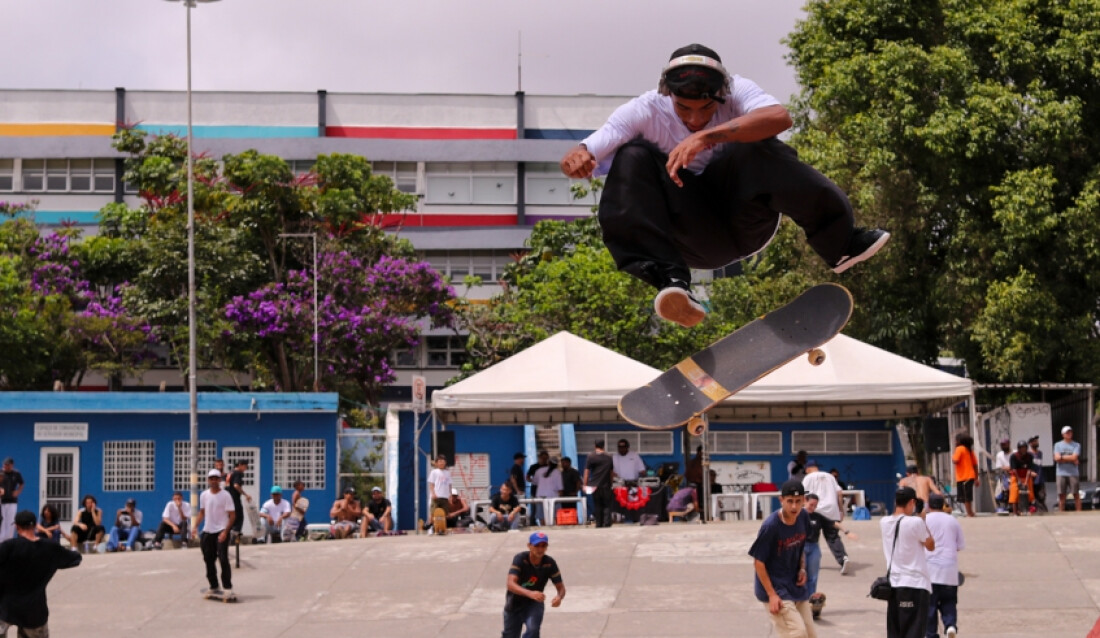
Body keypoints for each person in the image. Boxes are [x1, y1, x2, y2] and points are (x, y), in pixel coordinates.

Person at [559, 43, 888, 328]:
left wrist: (709, 137)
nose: (694, 120)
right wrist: (577, 157)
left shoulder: (739, 90)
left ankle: (841, 244)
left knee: (756, 144)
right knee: (631, 155)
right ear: (667, 94)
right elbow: (590, 147)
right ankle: (670, 281)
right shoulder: (643, 109)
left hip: (745, 220)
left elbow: (780, 117)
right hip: (691, 233)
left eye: (706, 109)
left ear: (722, 93)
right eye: (683, 109)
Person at [748, 479, 815, 638]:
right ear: (781, 500)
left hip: (794, 586)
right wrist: (771, 595)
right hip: (775, 588)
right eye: (789, 501)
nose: (794, 506)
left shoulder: (803, 517)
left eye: (798, 501)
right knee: (797, 634)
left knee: (810, 634)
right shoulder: (771, 526)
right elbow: (758, 562)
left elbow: (801, 546)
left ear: (803, 501)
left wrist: (803, 569)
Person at [0, 510, 82, 637]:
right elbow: (75, 559)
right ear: (35, 526)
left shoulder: (8, 547)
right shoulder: (50, 548)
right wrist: (72, 547)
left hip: (5, 607)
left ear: (16, 526)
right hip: (34, 611)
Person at [881, 486, 934, 638]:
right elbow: (931, 545)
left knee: (895, 632)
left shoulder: (884, 522)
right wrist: (923, 520)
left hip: (894, 585)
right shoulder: (916, 522)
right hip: (915, 583)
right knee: (914, 632)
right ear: (912, 502)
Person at [501, 531, 565, 638]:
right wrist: (530, 593)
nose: (540, 549)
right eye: (537, 546)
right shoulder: (521, 559)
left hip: (534, 603)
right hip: (514, 603)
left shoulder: (549, 563)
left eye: (543, 546)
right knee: (510, 635)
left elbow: (561, 587)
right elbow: (510, 584)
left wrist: (559, 597)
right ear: (529, 546)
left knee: (533, 631)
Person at [803, 494, 857, 618]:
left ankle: (811, 604)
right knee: (801, 576)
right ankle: (798, 603)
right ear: (804, 501)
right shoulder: (798, 515)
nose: (813, 507)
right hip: (800, 547)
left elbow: (833, 523)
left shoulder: (817, 516)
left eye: (815, 505)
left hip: (813, 547)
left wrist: (847, 532)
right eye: (811, 504)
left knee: (813, 577)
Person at [924, 493, 964, 638]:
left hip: (929, 569)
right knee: (949, 601)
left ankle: (931, 634)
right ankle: (950, 626)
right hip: (949, 569)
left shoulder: (924, 520)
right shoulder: (953, 521)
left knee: (930, 605)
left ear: (928, 505)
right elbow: (959, 546)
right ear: (943, 506)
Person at [801, 460, 850, 574]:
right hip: (831, 510)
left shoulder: (808, 478)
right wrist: (840, 511)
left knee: (811, 536)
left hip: (815, 510)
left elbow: (804, 495)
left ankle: (812, 559)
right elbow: (839, 493)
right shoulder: (830, 477)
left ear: (808, 469)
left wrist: (803, 508)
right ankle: (843, 559)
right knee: (832, 537)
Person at [195, 469, 235, 597]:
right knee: (208, 559)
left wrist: (226, 531)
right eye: (211, 478)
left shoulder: (225, 495)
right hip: (207, 531)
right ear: (208, 480)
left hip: (221, 530)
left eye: (216, 478)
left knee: (223, 558)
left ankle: (227, 588)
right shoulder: (204, 495)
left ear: (219, 480)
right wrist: (195, 526)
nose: (213, 481)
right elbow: (202, 512)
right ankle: (214, 585)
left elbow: (232, 515)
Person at [583, 440, 615, 528]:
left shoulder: (591, 456)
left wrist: (585, 484)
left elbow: (587, 472)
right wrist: (611, 483)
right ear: (603, 446)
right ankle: (607, 523)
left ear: (595, 445)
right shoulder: (609, 457)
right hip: (606, 484)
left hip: (594, 485)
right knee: (607, 504)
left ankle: (599, 523)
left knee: (597, 504)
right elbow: (611, 472)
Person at [1054, 425, 1082, 513]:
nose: (1069, 434)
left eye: (1070, 432)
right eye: (1067, 432)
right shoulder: (1057, 445)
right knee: (1062, 495)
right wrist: (1070, 458)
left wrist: (1062, 457)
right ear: (1063, 434)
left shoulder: (1076, 445)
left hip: (1073, 473)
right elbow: (1057, 458)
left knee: (1076, 494)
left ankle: (1079, 513)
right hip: (1061, 473)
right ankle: (1061, 513)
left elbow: (1074, 457)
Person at [951, 433, 979, 517]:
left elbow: (955, 460)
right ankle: (970, 512)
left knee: (966, 497)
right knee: (967, 496)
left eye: (956, 440)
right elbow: (975, 465)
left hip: (963, 476)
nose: (955, 442)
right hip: (970, 476)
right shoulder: (969, 450)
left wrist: (953, 455)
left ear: (959, 441)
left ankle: (969, 513)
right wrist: (976, 478)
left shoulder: (959, 449)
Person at [531, 457, 563, 526]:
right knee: (555, 515)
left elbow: (534, 483)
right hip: (553, 496)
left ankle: (544, 528)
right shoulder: (557, 472)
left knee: (541, 515)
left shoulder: (538, 471)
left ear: (548, 462)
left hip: (540, 496)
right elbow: (560, 488)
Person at [1008, 440, 1037, 516]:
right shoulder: (1014, 456)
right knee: (1015, 494)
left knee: (1029, 493)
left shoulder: (1029, 456)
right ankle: (1015, 512)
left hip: (1026, 476)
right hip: (1016, 476)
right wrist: (1019, 481)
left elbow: (1029, 469)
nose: (1023, 449)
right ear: (1018, 449)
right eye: (1021, 448)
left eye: (1024, 448)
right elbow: (1014, 470)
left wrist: (1026, 481)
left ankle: (1027, 510)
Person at [0, 457, 25, 542]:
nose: (5, 467)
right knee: (2, 520)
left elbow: (22, 483)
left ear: (11, 465)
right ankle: (1, 540)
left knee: (11, 521)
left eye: (7, 465)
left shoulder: (16, 474)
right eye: (4, 465)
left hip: (12, 501)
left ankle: (9, 540)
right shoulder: (1, 473)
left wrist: (17, 492)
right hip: (2, 500)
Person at [226, 459, 252, 537]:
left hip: (228, 498)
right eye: (245, 467)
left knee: (230, 517)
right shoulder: (238, 473)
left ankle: (229, 531)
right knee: (239, 516)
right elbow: (236, 485)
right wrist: (245, 495)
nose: (245, 469)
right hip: (234, 498)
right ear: (240, 465)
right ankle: (235, 532)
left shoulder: (231, 472)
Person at [427, 455, 453, 520]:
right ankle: (432, 527)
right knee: (433, 513)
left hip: (445, 497)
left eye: (443, 461)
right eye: (440, 461)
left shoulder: (448, 473)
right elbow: (431, 484)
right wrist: (433, 493)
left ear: (445, 462)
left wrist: (450, 495)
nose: (441, 463)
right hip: (436, 496)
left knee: (444, 514)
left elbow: (449, 484)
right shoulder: (434, 472)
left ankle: (441, 528)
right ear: (436, 463)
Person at [1028, 435, 1048, 514]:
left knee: (1042, 496)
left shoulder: (1040, 453)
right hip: (1031, 479)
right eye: (1034, 441)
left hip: (1040, 479)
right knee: (1032, 497)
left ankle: (1042, 511)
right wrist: (1030, 472)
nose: (1036, 442)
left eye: (1037, 441)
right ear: (1030, 443)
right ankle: (1034, 511)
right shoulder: (1028, 454)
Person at [993, 438, 1013, 514]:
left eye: (1005, 444)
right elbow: (999, 467)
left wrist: (1009, 468)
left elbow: (1015, 466)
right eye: (1002, 445)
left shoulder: (1014, 453)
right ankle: (1002, 507)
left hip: (1014, 475)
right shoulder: (999, 455)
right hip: (1004, 476)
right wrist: (1008, 468)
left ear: (1009, 444)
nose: (1003, 446)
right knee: (999, 491)